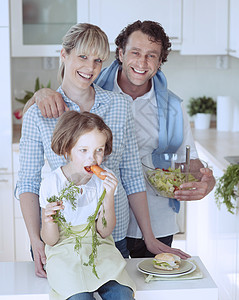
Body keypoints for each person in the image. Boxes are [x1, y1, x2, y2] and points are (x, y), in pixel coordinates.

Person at [29, 20, 216, 258]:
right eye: (135, 52)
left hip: (154, 222)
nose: (142, 62)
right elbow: (68, 85)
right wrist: (40, 94)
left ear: (160, 62)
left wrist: (206, 180)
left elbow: (187, 160)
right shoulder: (91, 86)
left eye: (151, 56)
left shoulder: (171, 107)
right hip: (87, 227)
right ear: (120, 54)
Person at [40, 110, 136, 300]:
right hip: (64, 251)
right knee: (79, 297)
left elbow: (104, 231)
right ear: (67, 150)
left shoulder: (104, 179)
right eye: (83, 150)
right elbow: (50, 240)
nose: (92, 158)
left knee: (122, 294)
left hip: (99, 247)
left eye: (98, 150)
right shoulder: (52, 183)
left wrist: (108, 196)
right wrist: (48, 219)